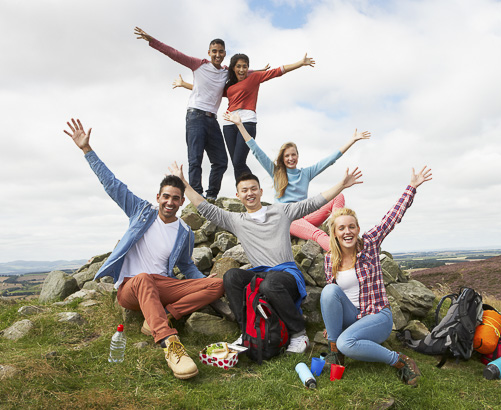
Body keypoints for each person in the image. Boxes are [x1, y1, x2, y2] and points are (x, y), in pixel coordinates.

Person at [63, 118, 225, 380]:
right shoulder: (141, 212)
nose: (170, 202)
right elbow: (112, 185)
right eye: (165, 196)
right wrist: (87, 150)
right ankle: (170, 343)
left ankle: (161, 317)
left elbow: (185, 266)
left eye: (175, 198)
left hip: (162, 286)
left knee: (218, 285)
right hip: (131, 287)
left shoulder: (184, 231)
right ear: (158, 197)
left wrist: (202, 282)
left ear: (182, 201)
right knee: (143, 279)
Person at [168, 161, 362, 354]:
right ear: (238, 196)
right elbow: (205, 208)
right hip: (260, 274)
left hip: (286, 275)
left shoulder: (281, 211)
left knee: (270, 284)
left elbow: (313, 203)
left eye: (253, 189)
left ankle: (299, 334)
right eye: (244, 190)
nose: (249, 193)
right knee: (231, 277)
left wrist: (342, 185)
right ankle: (247, 333)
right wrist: (183, 182)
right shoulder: (236, 220)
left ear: (261, 192)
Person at [320, 166, 433, 386]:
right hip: (352, 316)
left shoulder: (369, 244)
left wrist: (411, 187)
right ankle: (335, 351)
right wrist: (331, 325)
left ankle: (400, 360)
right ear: (335, 233)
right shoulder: (329, 259)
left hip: (377, 316)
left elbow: (391, 218)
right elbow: (332, 300)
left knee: (346, 342)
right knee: (329, 290)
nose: (347, 232)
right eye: (342, 228)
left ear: (358, 228)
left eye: (352, 227)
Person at [223, 111, 370, 251]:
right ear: (283, 157)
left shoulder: (306, 173)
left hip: (306, 215)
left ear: (298, 156)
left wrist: (352, 140)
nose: (290, 158)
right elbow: (255, 150)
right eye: (287, 156)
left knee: (339, 195)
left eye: (293, 155)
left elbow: (330, 160)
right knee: (318, 235)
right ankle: (343, 251)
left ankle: (339, 228)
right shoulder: (276, 172)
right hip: (288, 220)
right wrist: (240, 125)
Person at [174, 52, 315, 181]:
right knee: (236, 164)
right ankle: (242, 192)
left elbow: (278, 71)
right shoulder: (228, 85)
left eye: (245, 67)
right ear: (233, 68)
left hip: (247, 122)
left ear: (248, 68)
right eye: (239, 67)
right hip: (229, 125)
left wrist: (300, 63)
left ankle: (254, 187)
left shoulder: (254, 77)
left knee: (238, 161)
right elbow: (207, 90)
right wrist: (183, 84)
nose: (242, 70)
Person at [134, 26, 229, 201]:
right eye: (214, 51)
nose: (217, 54)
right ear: (209, 52)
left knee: (221, 161)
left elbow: (245, 74)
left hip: (212, 119)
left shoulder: (226, 73)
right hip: (195, 116)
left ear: (224, 53)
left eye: (220, 52)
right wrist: (152, 40)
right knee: (195, 159)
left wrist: (263, 72)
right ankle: (196, 196)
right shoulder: (198, 64)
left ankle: (211, 196)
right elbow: (175, 53)